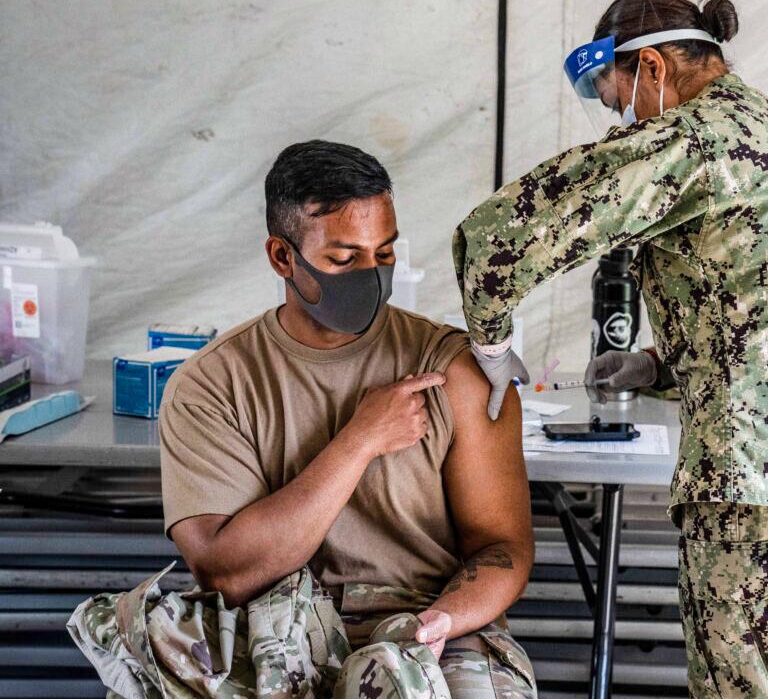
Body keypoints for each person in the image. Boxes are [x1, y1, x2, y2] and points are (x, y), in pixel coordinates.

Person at [453, 0, 768, 698]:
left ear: (653, 67)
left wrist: (491, 347)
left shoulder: (693, 138)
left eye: (621, 101)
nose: (624, 121)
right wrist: (655, 363)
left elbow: (499, 236)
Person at [69, 141, 537, 699]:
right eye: (344, 259)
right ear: (282, 257)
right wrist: (359, 442)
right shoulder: (214, 383)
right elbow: (226, 572)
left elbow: (503, 548)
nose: (370, 275)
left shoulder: (454, 369)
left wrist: (440, 622)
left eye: (384, 254)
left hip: (424, 615)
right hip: (270, 621)